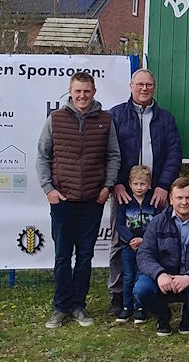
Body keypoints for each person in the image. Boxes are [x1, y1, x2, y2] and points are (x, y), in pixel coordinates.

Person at [37, 72, 121, 329]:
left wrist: (107, 187)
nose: (82, 96)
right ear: (70, 92)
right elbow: (43, 156)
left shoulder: (105, 120)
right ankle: (60, 308)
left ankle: (78, 306)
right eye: (78, 91)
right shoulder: (55, 119)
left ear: (94, 92)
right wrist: (48, 189)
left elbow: (113, 156)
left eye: (87, 91)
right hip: (62, 201)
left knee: (85, 257)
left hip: (92, 202)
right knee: (62, 257)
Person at [107, 68, 182, 317]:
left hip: (156, 192)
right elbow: (108, 152)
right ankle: (119, 295)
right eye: (139, 84)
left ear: (154, 87)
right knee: (120, 241)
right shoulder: (116, 115)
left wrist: (163, 185)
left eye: (148, 84)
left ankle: (154, 289)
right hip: (124, 191)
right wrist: (116, 183)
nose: (144, 88)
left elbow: (174, 154)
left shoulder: (166, 119)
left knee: (159, 241)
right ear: (131, 86)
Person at [134, 178, 189, 336]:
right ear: (171, 199)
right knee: (141, 289)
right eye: (179, 198)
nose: (184, 202)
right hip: (163, 278)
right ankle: (163, 316)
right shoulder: (158, 222)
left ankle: (188, 318)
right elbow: (144, 254)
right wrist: (160, 274)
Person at [114, 165, 162, 324]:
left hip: (147, 247)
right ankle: (127, 307)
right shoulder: (125, 202)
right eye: (136, 184)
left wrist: (144, 240)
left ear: (149, 184)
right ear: (130, 184)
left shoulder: (154, 202)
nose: (139, 187)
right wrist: (130, 239)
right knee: (128, 277)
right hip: (128, 246)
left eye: (143, 184)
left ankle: (140, 308)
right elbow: (120, 224)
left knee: (141, 276)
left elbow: (157, 224)